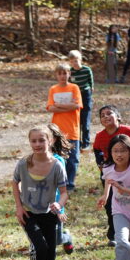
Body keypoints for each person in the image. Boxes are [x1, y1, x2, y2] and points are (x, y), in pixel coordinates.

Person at [13, 126, 68, 260]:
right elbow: (15, 182)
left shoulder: (57, 165)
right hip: (29, 214)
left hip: (49, 214)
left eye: (41, 140)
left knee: (51, 252)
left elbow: (64, 192)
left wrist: (59, 204)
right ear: (30, 142)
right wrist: (19, 207)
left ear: (50, 141)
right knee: (40, 247)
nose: (37, 144)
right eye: (33, 141)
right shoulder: (24, 163)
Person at [92, 105, 130, 245]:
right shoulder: (100, 136)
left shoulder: (128, 131)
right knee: (111, 203)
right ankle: (114, 234)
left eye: (109, 113)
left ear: (118, 117)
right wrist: (102, 164)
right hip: (111, 172)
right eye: (102, 115)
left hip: (129, 173)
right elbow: (97, 150)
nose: (105, 116)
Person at [46, 62, 83, 191]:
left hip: (72, 129)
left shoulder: (74, 88)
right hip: (57, 130)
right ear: (56, 75)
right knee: (58, 158)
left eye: (65, 73)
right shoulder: (53, 89)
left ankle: (70, 184)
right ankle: (59, 183)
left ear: (69, 74)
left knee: (73, 159)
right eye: (60, 73)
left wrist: (59, 106)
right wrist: (68, 106)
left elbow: (77, 106)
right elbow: (50, 107)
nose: (62, 76)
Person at [45, 124, 75, 254]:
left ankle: (66, 237)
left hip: (55, 204)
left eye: (47, 138)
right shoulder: (34, 160)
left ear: (54, 140)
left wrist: (59, 209)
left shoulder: (58, 161)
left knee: (57, 239)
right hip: (39, 205)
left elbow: (61, 189)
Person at [68, 50, 94, 150]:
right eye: (72, 61)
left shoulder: (86, 70)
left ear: (80, 59)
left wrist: (91, 91)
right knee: (77, 121)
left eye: (76, 60)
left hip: (86, 94)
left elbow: (91, 82)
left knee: (85, 121)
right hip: (76, 96)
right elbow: (69, 84)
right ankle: (78, 142)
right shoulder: (70, 71)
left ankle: (86, 143)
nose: (74, 63)